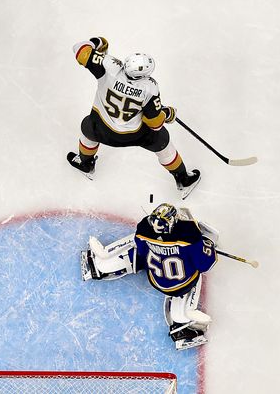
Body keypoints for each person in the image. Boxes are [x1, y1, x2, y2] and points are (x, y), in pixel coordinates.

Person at [67, 36, 201, 199]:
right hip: (133, 136)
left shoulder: (109, 66)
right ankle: (183, 179)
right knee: (162, 140)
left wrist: (98, 42)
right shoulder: (150, 88)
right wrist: (166, 113)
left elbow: (80, 50)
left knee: (88, 127)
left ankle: (86, 164)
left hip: (101, 128)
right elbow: (154, 124)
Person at [81, 203, 218, 350]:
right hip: (181, 285)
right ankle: (182, 327)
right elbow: (206, 264)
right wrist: (207, 244)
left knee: (137, 248)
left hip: (155, 278)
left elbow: (140, 249)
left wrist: (159, 247)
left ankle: (99, 264)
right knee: (195, 272)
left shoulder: (145, 229)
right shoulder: (189, 239)